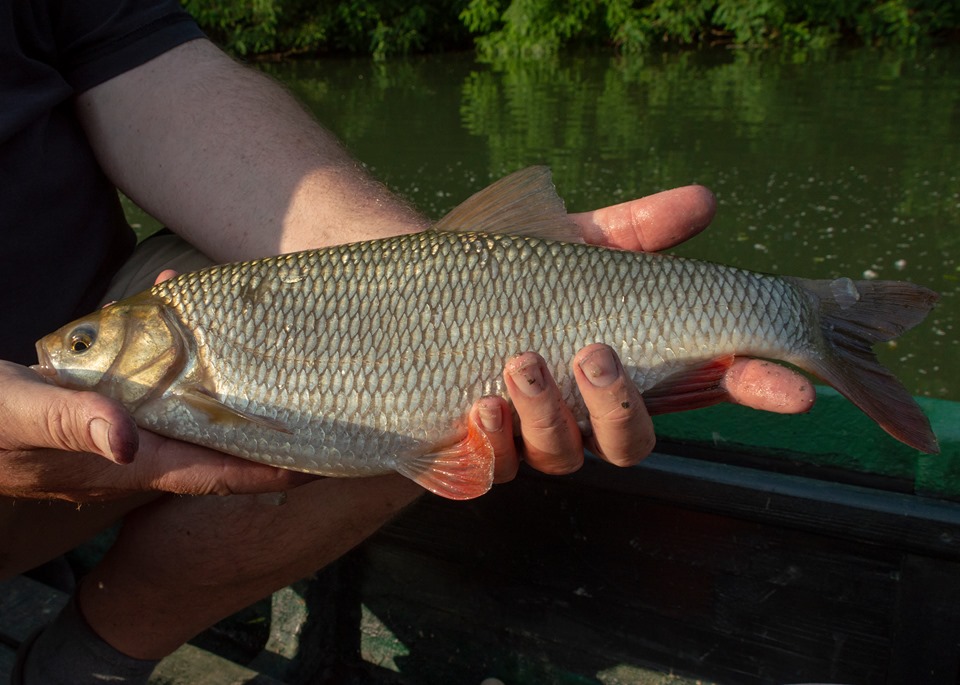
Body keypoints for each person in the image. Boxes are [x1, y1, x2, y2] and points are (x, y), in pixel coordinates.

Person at [0, 2, 815, 683]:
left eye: (79, 344)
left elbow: (148, 69)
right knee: (386, 393)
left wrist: (432, 266)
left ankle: (88, 654)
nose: (65, 348)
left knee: (416, 384)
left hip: (130, 294)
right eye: (80, 344)